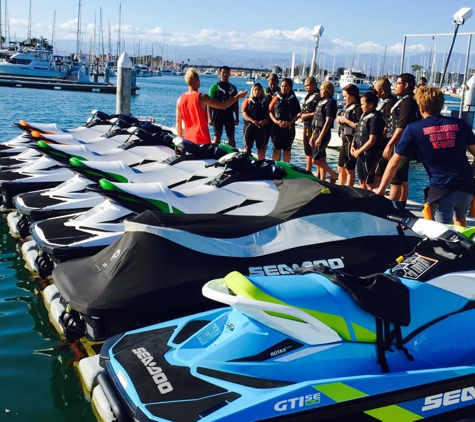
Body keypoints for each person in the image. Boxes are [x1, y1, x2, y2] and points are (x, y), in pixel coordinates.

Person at [374, 86, 475, 226]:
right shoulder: (460, 124)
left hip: (442, 189)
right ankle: (463, 247)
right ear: (441, 105)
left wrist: (381, 189)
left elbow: (394, 162)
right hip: (467, 187)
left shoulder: (414, 129)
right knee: (459, 220)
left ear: (420, 107)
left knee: (439, 230)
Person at [176, 68, 247, 145]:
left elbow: (178, 123)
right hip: (202, 140)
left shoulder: (180, 100)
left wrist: (180, 141)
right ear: (197, 81)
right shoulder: (202, 97)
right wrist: (237, 97)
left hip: (188, 141)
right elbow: (223, 106)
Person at [381, 73, 419, 208]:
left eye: (398, 83)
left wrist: (390, 144)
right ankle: (400, 205)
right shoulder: (402, 100)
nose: (395, 86)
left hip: (400, 143)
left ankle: (392, 206)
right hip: (397, 141)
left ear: (406, 85)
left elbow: (402, 125)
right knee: (402, 177)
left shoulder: (408, 101)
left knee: (396, 178)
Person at [351, 91, 384, 190]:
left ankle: (372, 202)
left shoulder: (375, 117)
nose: (361, 107)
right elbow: (357, 132)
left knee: (369, 182)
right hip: (360, 153)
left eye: (363, 104)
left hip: (369, 154)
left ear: (371, 104)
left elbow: (371, 140)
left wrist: (359, 151)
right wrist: (353, 146)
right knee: (361, 180)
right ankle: (364, 201)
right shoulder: (363, 116)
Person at [310, 81, 338, 182]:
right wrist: (313, 136)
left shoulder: (331, 103)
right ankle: (322, 179)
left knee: (315, 159)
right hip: (316, 131)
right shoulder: (320, 101)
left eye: (322, 89)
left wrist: (321, 136)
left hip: (324, 133)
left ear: (328, 90)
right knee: (322, 158)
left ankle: (333, 174)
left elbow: (328, 121)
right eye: (320, 89)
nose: (320, 91)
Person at [268, 77, 301, 163]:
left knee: (287, 150)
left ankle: (285, 168)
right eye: (282, 86)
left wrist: (289, 123)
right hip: (276, 126)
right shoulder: (276, 97)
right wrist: (276, 122)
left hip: (289, 128)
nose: (283, 88)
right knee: (276, 149)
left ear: (290, 87)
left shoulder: (293, 99)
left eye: (286, 86)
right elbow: (270, 111)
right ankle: (276, 166)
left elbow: (298, 114)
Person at [373, 77, 397, 185]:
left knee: (379, 169)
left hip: (385, 140)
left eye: (376, 90)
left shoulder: (390, 103)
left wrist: (380, 136)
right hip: (380, 140)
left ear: (382, 91)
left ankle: (379, 189)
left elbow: (388, 123)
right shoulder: (382, 102)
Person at [336, 83, 362, 186]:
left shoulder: (358, 108)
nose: (344, 98)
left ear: (352, 95)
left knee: (349, 168)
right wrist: (339, 119)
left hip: (351, 140)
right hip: (344, 140)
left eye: (346, 96)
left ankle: (349, 189)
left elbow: (359, 125)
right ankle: (340, 187)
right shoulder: (347, 107)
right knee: (340, 167)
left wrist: (345, 120)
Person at [207, 66, 239, 146]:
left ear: (229, 74)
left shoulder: (233, 88)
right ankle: (215, 153)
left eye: (227, 73)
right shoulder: (214, 87)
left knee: (231, 136)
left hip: (229, 114)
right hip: (217, 114)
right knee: (217, 136)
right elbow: (209, 104)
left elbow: (236, 104)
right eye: (223, 72)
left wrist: (237, 117)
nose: (225, 74)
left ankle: (233, 154)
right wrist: (209, 118)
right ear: (219, 73)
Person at [241, 82, 269, 159]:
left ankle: (260, 164)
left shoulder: (265, 101)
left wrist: (264, 121)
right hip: (250, 126)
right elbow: (243, 112)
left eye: (259, 90)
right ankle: (245, 163)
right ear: (252, 90)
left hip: (261, 127)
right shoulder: (247, 100)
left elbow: (268, 114)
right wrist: (252, 120)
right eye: (255, 90)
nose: (257, 92)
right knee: (247, 147)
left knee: (261, 148)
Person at [299, 76, 320, 171]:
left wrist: (306, 115)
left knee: (316, 152)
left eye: (308, 86)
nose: (306, 88)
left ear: (314, 85)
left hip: (314, 126)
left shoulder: (319, 96)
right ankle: (308, 170)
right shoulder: (307, 96)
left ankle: (320, 175)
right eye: (305, 86)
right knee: (307, 150)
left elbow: (319, 112)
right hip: (306, 125)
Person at [264, 73, 279, 145]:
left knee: (276, 144)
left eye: (275, 84)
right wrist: (264, 97)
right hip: (266, 120)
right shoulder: (264, 91)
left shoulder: (281, 92)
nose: (272, 86)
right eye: (271, 84)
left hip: (276, 120)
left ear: (278, 83)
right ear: (268, 82)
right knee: (264, 142)